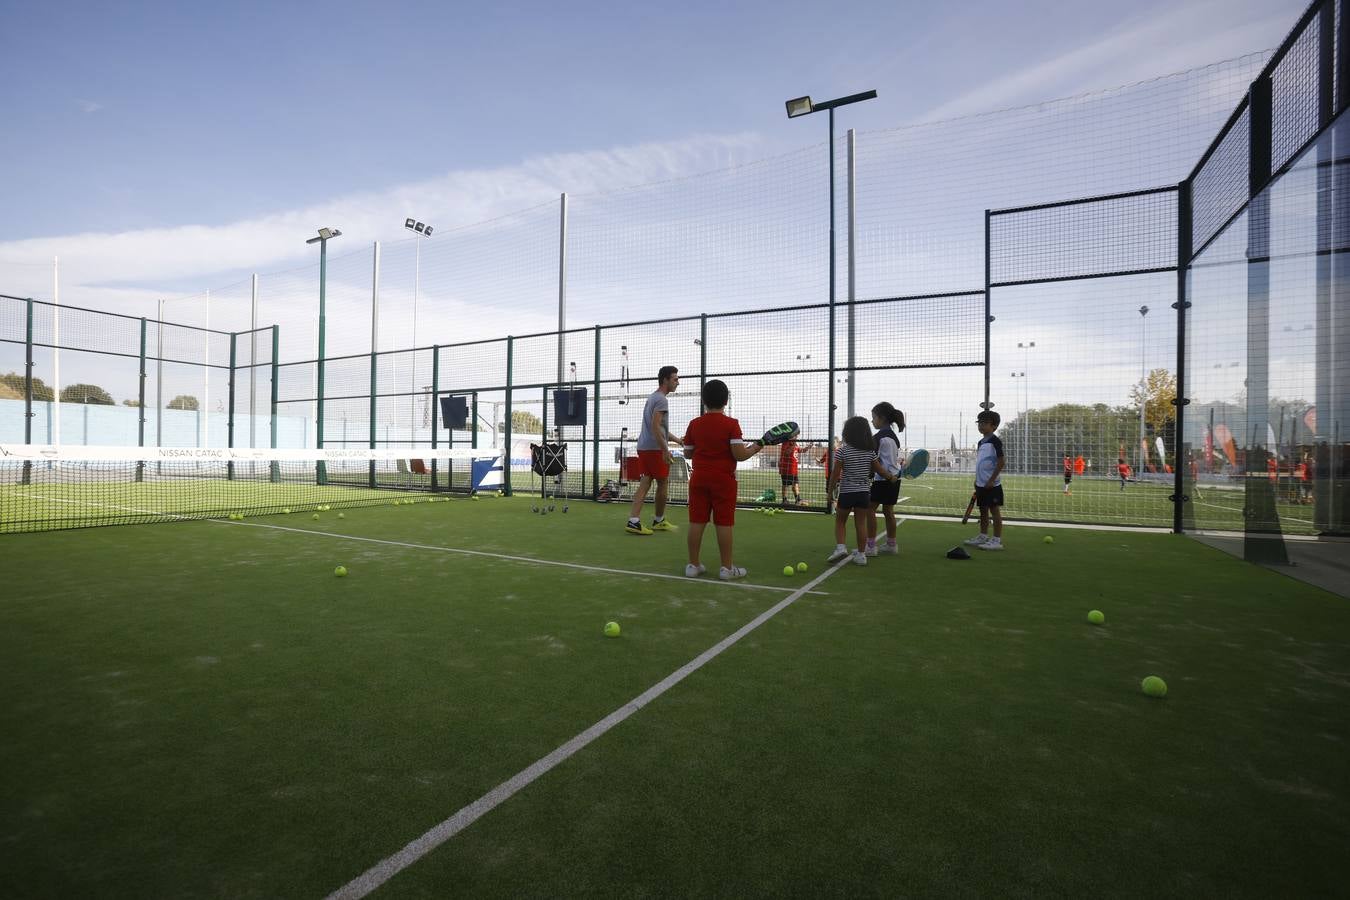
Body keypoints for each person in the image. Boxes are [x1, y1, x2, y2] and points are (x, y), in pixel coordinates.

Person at [680, 379, 765, 579]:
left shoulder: (694, 424)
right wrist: (756, 447)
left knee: (696, 521)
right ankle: (726, 569)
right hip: (723, 482)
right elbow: (740, 455)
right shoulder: (731, 424)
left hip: (698, 479)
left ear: (703, 400)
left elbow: (687, 454)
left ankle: (693, 565)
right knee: (724, 523)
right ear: (726, 400)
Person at [828, 416, 896, 566]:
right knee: (860, 524)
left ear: (847, 433)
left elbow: (835, 474)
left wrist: (830, 491)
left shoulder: (842, 452)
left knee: (840, 521)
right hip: (864, 494)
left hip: (846, 493)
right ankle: (861, 555)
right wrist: (891, 477)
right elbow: (881, 471)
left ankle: (840, 548)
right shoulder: (870, 453)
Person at [626, 366, 683, 535]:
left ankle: (634, 520)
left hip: (645, 447)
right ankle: (657, 520)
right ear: (665, 380)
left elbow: (661, 428)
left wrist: (678, 440)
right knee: (663, 482)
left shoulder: (653, 397)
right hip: (653, 449)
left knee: (646, 482)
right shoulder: (661, 400)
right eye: (675, 379)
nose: (678, 382)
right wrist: (665, 450)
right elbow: (655, 426)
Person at [865, 402, 905, 557]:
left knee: (869, 509)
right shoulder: (893, 437)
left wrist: (867, 475)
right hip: (894, 479)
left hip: (883, 479)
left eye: (874, 418)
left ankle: (870, 546)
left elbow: (873, 461)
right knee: (888, 511)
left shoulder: (878, 437)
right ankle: (891, 544)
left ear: (881, 418)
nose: (872, 421)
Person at [964, 410, 1005, 551]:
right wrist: (978, 481)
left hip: (992, 484)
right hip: (981, 484)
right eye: (979, 422)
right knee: (983, 511)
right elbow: (981, 463)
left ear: (994, 426)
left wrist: (991, 480)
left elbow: (1001, 462)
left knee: (994, 511)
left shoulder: (995, 441)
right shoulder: (981, 442)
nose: (981, 425)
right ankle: (983, 536)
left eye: (985, 423)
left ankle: (996, 540)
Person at [778, 437, 803, 506]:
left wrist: (808, 447)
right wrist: (794, 444)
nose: (797, 437)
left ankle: (798, 500)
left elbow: (800, 450)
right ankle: (784, 500)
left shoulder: (795, 443)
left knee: (795, 484)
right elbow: (787, 452)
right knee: (785, 485)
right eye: (796, 435)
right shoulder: (786, 442)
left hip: (794, 468)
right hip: (786, 468)